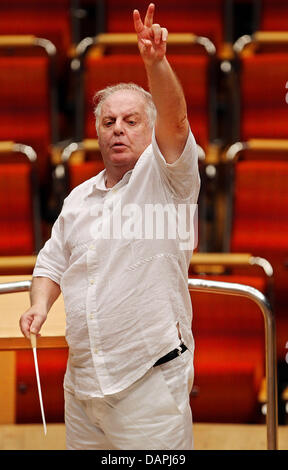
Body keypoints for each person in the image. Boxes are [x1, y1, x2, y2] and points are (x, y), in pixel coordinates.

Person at [19, 3, 200, 450]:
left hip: (149, 382)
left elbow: (176, 120)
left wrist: (155, 63)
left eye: (132, 120)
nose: (118, 129)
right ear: (97, 131)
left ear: (150, 128)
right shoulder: (78, 197)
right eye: (108, 121)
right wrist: (40, 306)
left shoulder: (170, 179)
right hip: (81, 386)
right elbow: (51, 261)